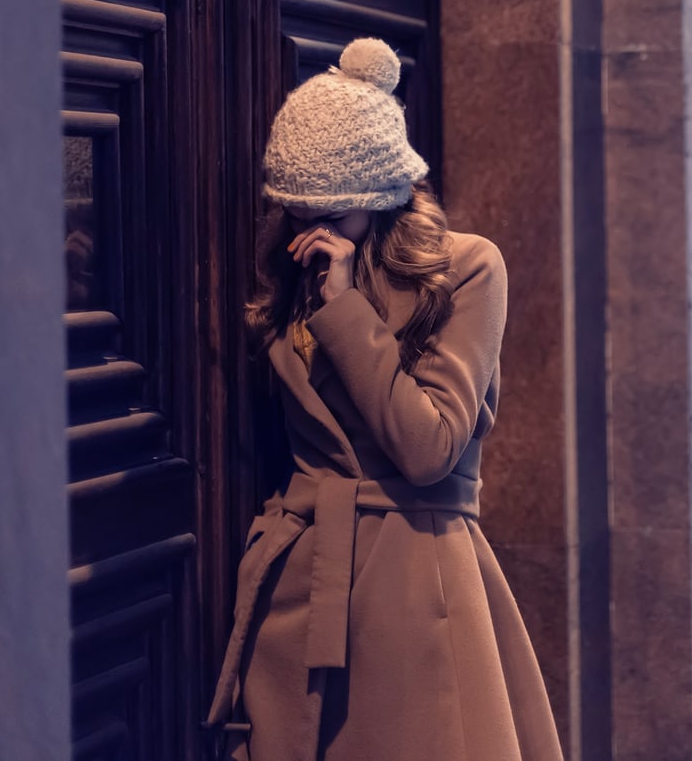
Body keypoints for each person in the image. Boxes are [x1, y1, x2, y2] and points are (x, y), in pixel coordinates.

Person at [205, 38, 562, 760]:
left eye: (332, 213)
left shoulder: (464, 269)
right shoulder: (292, 273)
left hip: (415, 589)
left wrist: (345, 310)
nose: (311, 232)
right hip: (304, 589)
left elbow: (429, 448)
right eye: (297, 211)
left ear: (379, 197)